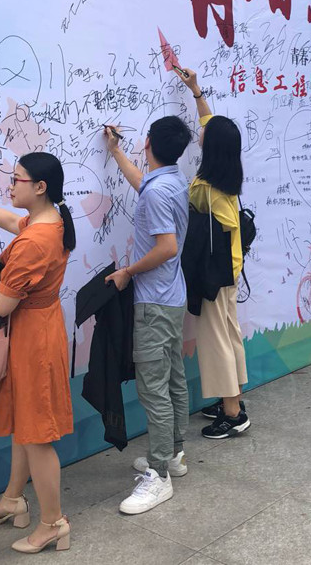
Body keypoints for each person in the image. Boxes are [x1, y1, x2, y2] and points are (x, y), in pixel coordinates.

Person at [0, 152, 75, 554]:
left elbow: (3, 306)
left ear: (39, 187)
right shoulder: (49, 221)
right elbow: (9, 220)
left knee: (37, 435)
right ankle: (13, 499)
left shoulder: (34, 242)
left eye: (16, 179)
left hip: (33, 340)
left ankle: (53, 523)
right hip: (38, 330)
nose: (10, 185)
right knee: (27, 424)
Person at [103, 116, 192, 514]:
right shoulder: (171, 180)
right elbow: (143, 183)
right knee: (172, 379)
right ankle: (173, 453)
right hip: (171, 297)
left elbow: (166, 247)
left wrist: (128, 271)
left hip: (154, 301)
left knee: (154, 388)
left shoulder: (158, 191)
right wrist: (116, 152)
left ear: (149, 143)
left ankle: (159, 475)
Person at [178, 68, 250, 439]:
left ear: (213, 147)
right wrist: (196, 91)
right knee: (229, 334)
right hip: (230, 271)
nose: (200, 132)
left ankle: (233, 413)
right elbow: (211, 123)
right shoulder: (226, 176)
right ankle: (231, 398)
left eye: (205, 134)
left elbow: (219, 232)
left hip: (215, 275)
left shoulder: (206, 188)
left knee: (216, 341)